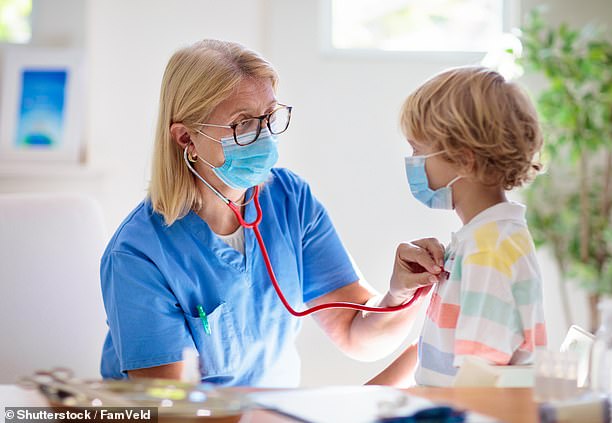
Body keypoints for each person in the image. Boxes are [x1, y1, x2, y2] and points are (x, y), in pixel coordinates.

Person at [99, 39, 445, 387]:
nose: (264, 136)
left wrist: (400, 293)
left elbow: (356, 333)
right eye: (243, 123)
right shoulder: (138, 254)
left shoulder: (289, 200)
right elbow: (168, 406)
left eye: (269, 117)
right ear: (186, 137)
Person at [368, 67, 547, 387]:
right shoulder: (483, 240)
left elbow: (477, 379)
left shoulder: (487, 251)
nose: (413, 162)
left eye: (418, 151)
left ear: (465, 160)